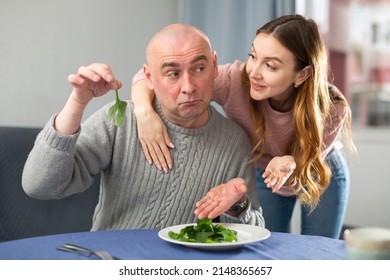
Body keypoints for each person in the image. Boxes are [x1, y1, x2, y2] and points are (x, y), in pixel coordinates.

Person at [22, 23, 266, 230]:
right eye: (173, 73)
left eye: (199, 69)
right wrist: (77, 101)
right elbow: (39, 186)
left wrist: (237, 205)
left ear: (214, 66)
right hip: (110, 261)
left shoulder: (234, 142)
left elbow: (254, 228)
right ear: (149, 77)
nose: (189, 87)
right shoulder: (120, 122)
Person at [131, 15, 357, 238]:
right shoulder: (234, 81)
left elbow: (299, 171)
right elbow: (147, 74)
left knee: (317, 251)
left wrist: (291, 162)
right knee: (269, 244)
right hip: (263, 169)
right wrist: (144, 113)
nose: (254, 72)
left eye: (270, 65)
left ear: (302, 74)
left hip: (317, 168)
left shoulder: (331, 108)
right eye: (253, 56)